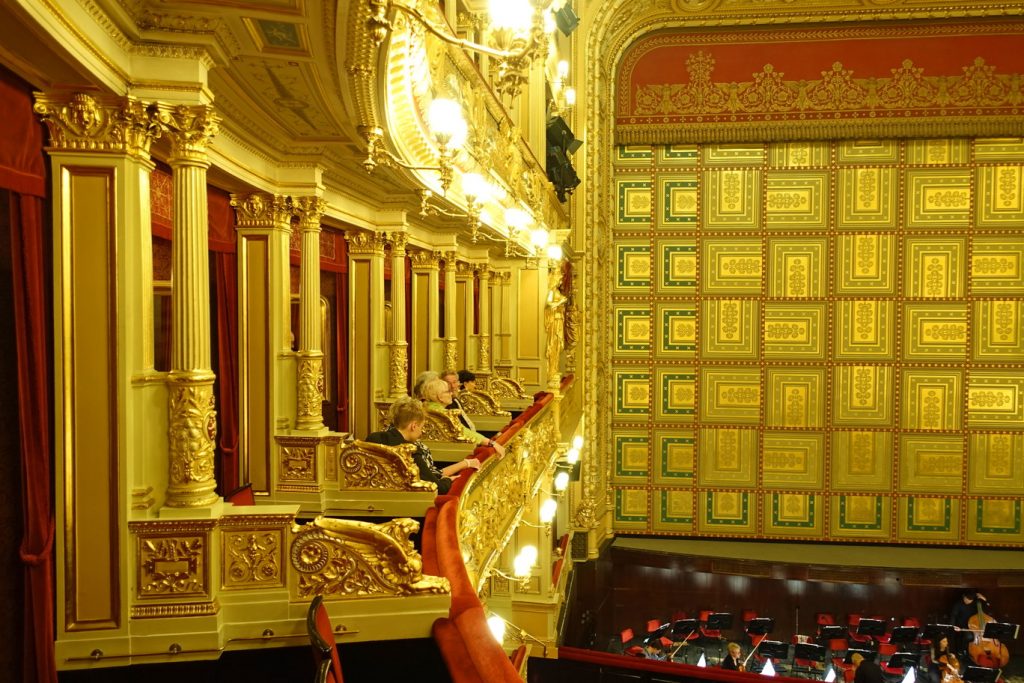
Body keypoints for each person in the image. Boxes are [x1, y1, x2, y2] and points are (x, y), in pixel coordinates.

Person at [365, 396, 479, 494]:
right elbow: (439, 487)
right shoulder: (411, 451)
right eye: (422, 427)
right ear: (414, 426)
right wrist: (447, 480)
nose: (422, 432)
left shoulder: (373, 438)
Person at [422, 378, 506, 455]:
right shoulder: (441, 414)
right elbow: (464, 432)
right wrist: (492, 443)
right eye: (448, 391)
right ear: (440, 397)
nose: (451, 393)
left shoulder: (430, 409)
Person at [951, 590, 989, 655]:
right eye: (966, 599)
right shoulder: (958, 604)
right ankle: (962, 650)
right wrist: (953, 625)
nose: (967, 601)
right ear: (964, 596)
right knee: (969, 636)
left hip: (974, 625)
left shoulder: (976, 602)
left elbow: (987, 606)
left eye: (970, 600)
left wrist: (984, 599)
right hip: (963, 625)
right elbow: (953, 616)